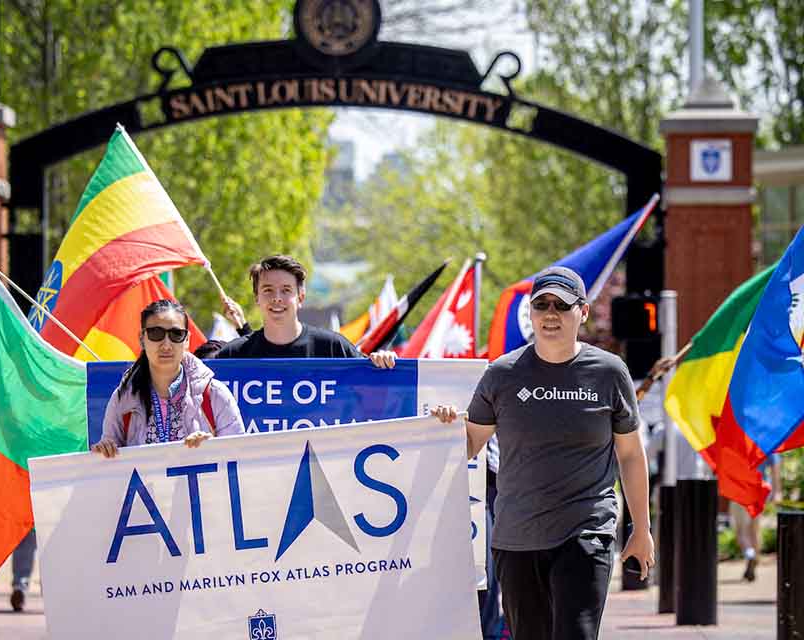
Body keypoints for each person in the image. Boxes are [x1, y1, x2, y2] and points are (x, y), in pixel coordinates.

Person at [433, 266, 654, 640]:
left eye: (562, 305)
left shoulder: (608, 372)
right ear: (531, 312)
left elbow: (630, 454)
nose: (551, 314)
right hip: (516, 539)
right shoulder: (502, 374)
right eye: (542, 305)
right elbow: (469, 443)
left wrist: (642, 529)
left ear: (582, 312)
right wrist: (445, 425)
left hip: (586, 532)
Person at [92, 299, 244, 458]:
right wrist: (105, 450)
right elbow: (110, 470)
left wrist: (213, 448)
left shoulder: (215, 395)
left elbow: (241, 460)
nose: (166, 345)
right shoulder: (122, 399)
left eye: (176, 334)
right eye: (156, 333)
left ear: (187, 340)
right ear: (142, 338)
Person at [216, 254, 396, 367]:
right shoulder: (231, 357)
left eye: (286, 290)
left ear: (301, 297)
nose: (277, 298)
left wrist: (383, 361)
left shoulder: (333, 348)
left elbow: (372, 389)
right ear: (257, 298)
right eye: (268, 290)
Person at [730, 454, 781, 581]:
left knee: (741, 532)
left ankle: (750, 555)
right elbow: (776, 466)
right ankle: (754, 560)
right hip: (759, 489)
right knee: (754, 530)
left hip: (741, 489)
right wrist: (776, 491)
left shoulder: (740, 439)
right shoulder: (766, 441)